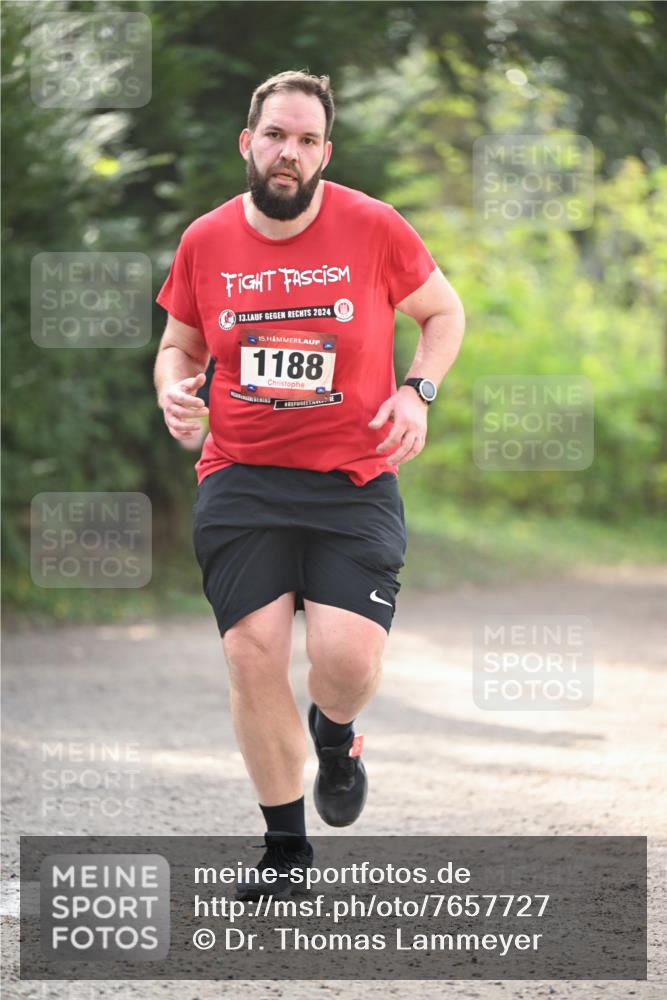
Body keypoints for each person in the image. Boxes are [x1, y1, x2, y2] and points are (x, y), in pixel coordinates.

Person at [154, 70, 465, 898]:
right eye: (274, 136)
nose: (287, 152)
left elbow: (443, 314)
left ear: (324, 152)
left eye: (304, 140)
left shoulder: (373, 226)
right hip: (242, 480)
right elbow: (178, 346)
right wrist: (172, 390)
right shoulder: (206, 241)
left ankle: (337, 732)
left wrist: (417, 390)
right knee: (251, 656)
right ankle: (285, 854)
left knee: (345, 661)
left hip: (351, 480)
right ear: (247, 143)